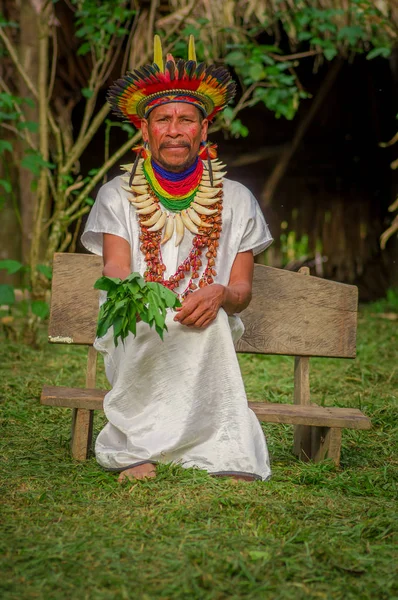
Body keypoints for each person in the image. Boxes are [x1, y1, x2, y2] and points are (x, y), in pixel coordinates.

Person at [81, 36, 273, 483]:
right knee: (155, 320)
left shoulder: (238, 200)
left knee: (208, 322)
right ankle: (137, 449)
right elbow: (114, 270)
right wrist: (141, 296)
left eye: (186, 119)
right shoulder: (117, 195)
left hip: (208, 322)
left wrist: (221, 292)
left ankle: (224, 449)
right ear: (144, 131)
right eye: (162, 119)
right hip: (137, 316)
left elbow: (241, 293)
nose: (173, 129)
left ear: (203, 130)